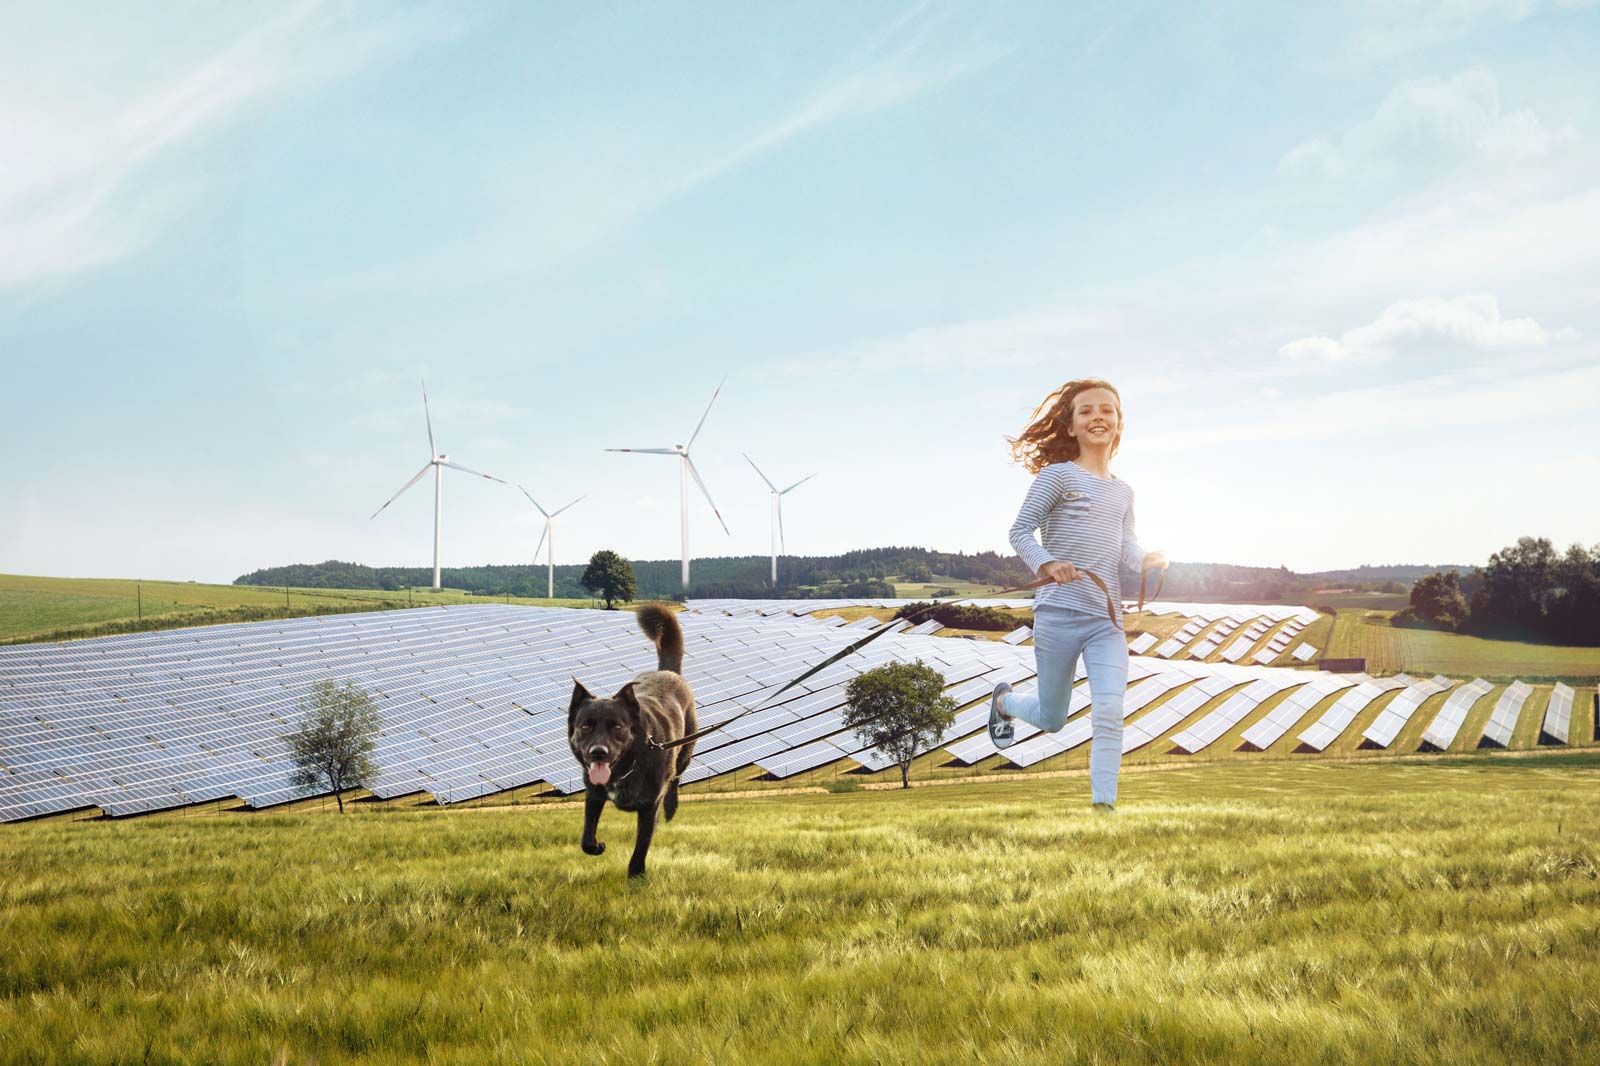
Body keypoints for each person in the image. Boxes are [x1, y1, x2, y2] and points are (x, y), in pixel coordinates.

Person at [988, 378, 1167, 811]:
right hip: (1057, 614)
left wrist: (1146, 559)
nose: (1097, 417)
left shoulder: (1124, 491)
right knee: (1052, 719)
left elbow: (1125, 546)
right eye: (1086, 411)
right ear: (1071, 427)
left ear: (1119, 424)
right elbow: (1019, 531)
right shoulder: (1057, 476)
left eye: (1107, 410)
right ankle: (1005, 702)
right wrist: (1047, 563)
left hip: (1106, 622)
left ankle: (1103, 809)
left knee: (1110, 710)